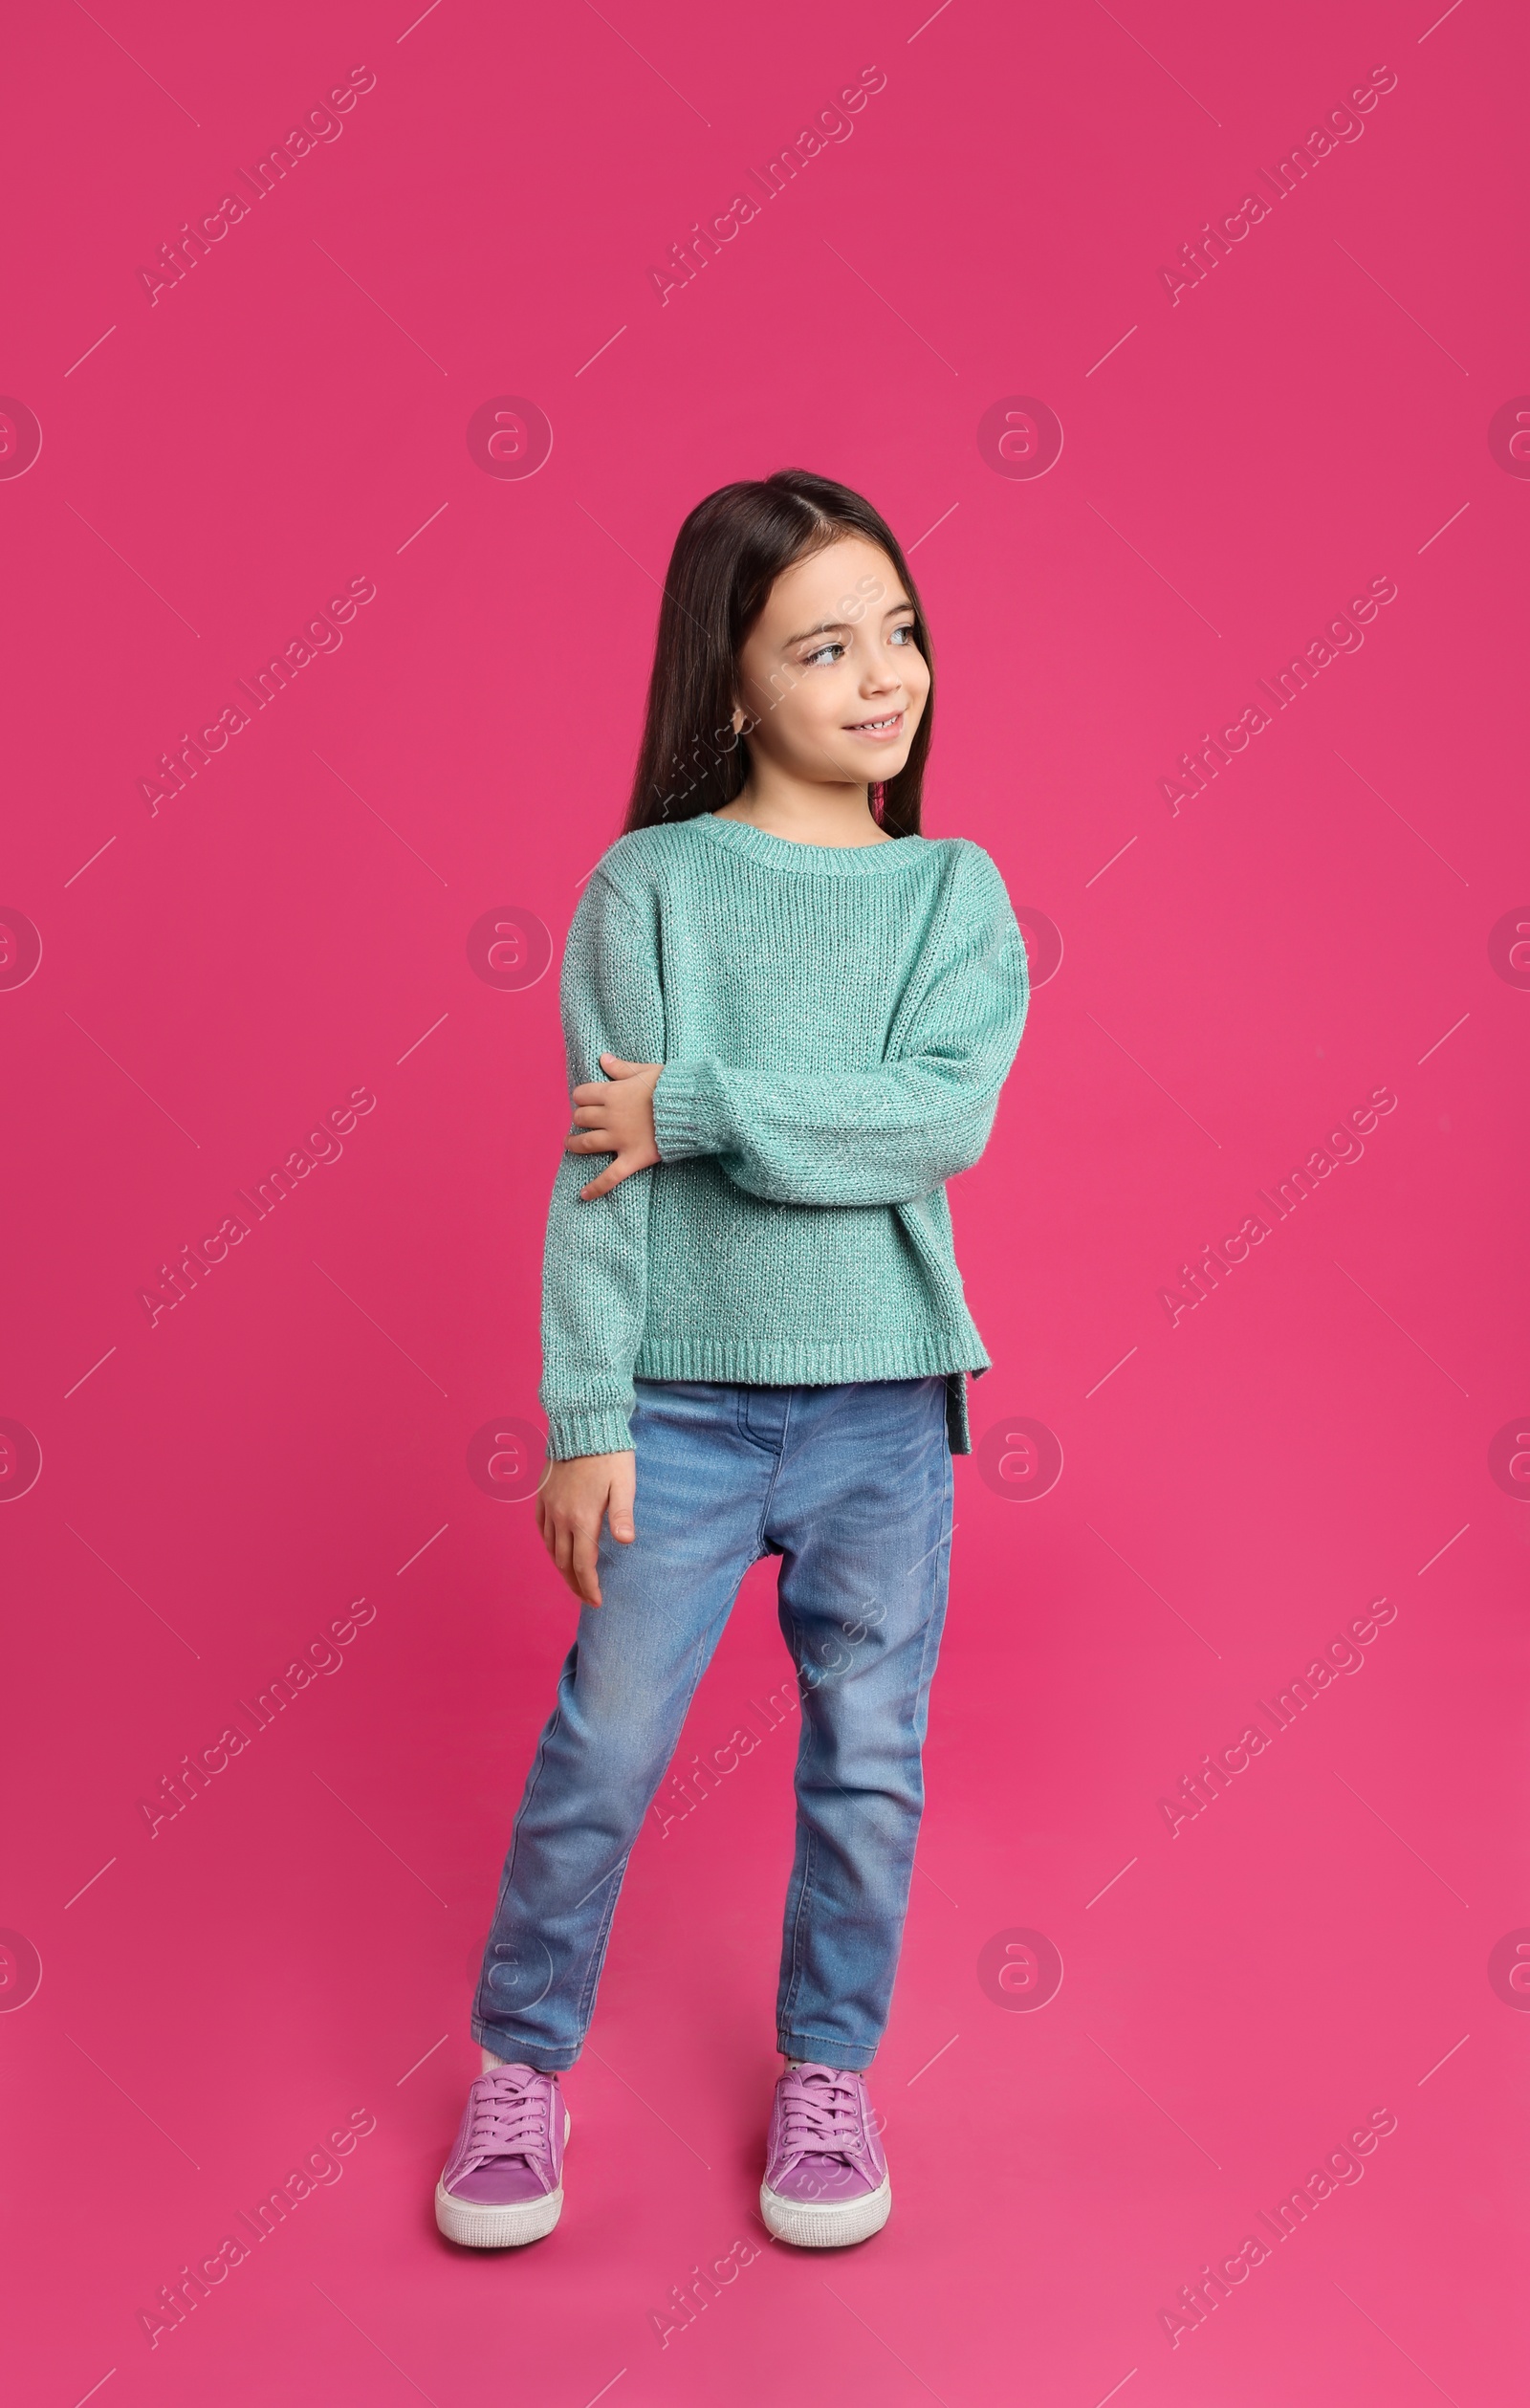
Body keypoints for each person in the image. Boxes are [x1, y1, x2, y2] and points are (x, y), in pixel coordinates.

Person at [435, 468, 1029, 2252]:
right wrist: (586, 1413)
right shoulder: (651, 889)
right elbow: (596, 1177)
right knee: (604, 1749)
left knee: (869, 1762)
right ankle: (521, 2066)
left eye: (901, 633)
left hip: (877, 1413)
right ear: (732, 678)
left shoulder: (955, 896)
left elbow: (933, 1123)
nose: (883, 678)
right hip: (678, 1414)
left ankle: (828, 2077)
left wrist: (695, 1103)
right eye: (826, 645)